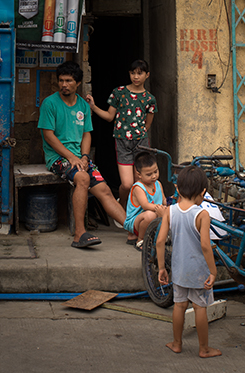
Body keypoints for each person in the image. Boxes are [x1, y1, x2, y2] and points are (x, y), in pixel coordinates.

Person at [38, 60, 127, 248]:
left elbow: (87, 134)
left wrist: (85, 157)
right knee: (83, 179)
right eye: (61, 80)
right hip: (58, 158)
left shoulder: (83, 106)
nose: (64, 84)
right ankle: (80, 234)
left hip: (80, 158)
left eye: (69, 81)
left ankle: (135, 230)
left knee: (104, 190)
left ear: (77, 83)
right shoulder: (50, 103)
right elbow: (48, 136)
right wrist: (71, 157)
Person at [156, 165, 221, 358]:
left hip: (178, 269)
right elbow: (206, 246)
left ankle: (177, 343)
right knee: (200, 307)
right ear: (203, 192)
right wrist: (213, 271)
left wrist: (161, 267)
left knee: (179, 305)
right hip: (199, 271)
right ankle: (204, 348)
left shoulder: (170, 211)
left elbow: (160, 241)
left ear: (177, 189)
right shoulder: (202, 215)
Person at [90, 59, 156, 211]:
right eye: (133, 73)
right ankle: (122, 207)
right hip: (122, 142)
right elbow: (109, 116)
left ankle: (136, 212)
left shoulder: (149, 99)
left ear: (147, 75)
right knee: (127, 184)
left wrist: (138, 133)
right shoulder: (119, 92)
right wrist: (93, 107)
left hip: (141, 143)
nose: (136, 77)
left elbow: (148, 124)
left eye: (140, 73)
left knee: (140, 182)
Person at [124, 150, 168, 250]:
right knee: (150, 214)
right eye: (149, 174)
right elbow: (145, 205)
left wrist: (171, 203)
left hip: (154, 217)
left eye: (156, 171)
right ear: (139, 174)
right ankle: (140, 240)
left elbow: (164, 200)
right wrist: (161, 208)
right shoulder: (138, 187)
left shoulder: (158, 184)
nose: (154, 176)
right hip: (137, 222)